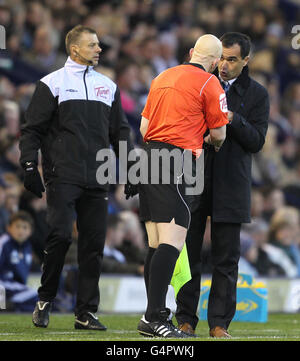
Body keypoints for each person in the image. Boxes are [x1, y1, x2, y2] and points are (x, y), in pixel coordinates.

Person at [19, 25, 137, 330]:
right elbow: (32, 130)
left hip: (98, 177)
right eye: (93, 45)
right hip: (63, 175)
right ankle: (45, 299)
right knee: (59, 234)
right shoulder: (51, 83)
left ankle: (85, 312)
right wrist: (30, 166)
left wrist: (134, 170)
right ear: (75, 50)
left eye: (99, 45)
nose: (99, 49)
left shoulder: (108, 87)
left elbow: (121, 133)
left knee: (93, 245)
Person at [175, 32, 269, 338]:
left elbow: (257, 141)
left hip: (232, 183)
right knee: (188, 251)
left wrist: (232, 118)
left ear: (246, 61)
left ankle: (218, 324)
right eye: (221, 58)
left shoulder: (257, 94)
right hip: (195, 177)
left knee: (226, 257)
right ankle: (185, 319)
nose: (223, 65)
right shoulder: (200, 84)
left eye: (231, 59)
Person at [137, 34, 228, 338]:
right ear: (215, 62)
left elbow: (144, 128)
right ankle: (156, 317)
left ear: (191, 52)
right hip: (175, 159)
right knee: (174, 239)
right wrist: (203, 139)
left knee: (155, 242)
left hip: (148, 157)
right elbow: (218, 135)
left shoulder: (162, 75)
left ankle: (151, 317)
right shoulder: (209, 83)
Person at [0, 211, 38, 312]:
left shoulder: (28, 247)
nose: (21, 230)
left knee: (37, 300)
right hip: (3, 285)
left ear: (30, 231)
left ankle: (10, 306)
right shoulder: (4, 242)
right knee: (36, 297)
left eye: (25, 227)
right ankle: (7, 304)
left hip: (16, 287)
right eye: (17, 226)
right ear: (9, 228)